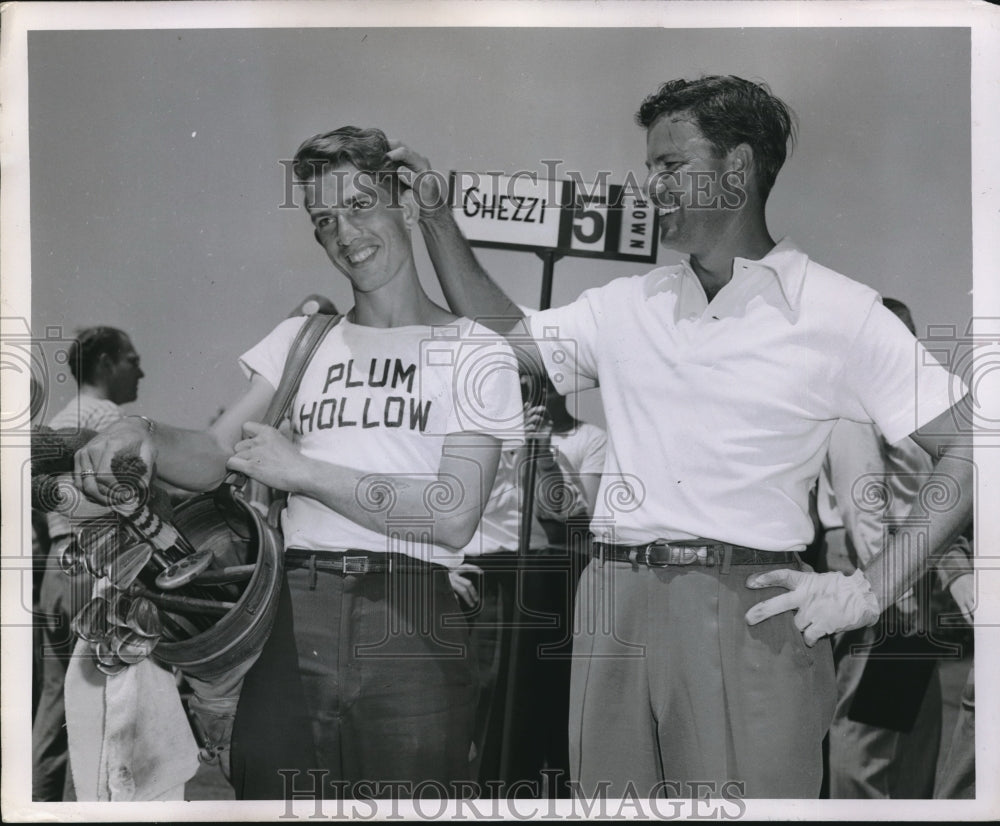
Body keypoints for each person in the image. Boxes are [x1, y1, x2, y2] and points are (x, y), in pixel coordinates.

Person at [388, 74, 973, 798]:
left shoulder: (844, 312)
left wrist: (869, 591)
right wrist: (438, 223)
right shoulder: (626, 303)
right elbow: (513, 338)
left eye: (671, 166)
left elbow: (972, 452)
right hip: (612, 608)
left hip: (749, 609)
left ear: (738, 169)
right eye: (649, 168)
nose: (650, 186)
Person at [71, 126, 523, 799]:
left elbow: (453, 514)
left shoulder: (475, 351)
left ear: (404, 201)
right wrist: (145, 432)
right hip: (294, 611)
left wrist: (305, 472)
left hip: (413, 618)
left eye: (361, 205)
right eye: (324, 220)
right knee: (271, 799)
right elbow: (215, 454)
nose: (345, 233)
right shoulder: (305, 338)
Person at [816, 298, 974, 798]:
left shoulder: (905, 412)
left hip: (910, 583)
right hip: (884, 582)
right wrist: (889, 595)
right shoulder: (856, 411)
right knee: (872, 738)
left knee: (911, 734)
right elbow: (865, 508)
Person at [450, 373, 605, 795]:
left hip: (540, 581)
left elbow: (567, 514)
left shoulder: (588, 439)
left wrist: (536, 450)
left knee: (530, 706)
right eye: (521, 382)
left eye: (546, 381)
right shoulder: (475, 430)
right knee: (476, 700)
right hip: (479, 573)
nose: (536, 391)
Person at [32, 326, 144, 801]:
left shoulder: (59, 417)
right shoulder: (106, 417)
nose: (141, 369)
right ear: (104, 362)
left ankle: (37, 804)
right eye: (131, 359)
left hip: (59, 569)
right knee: (105, 712)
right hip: (95, 569)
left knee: (54, 709)